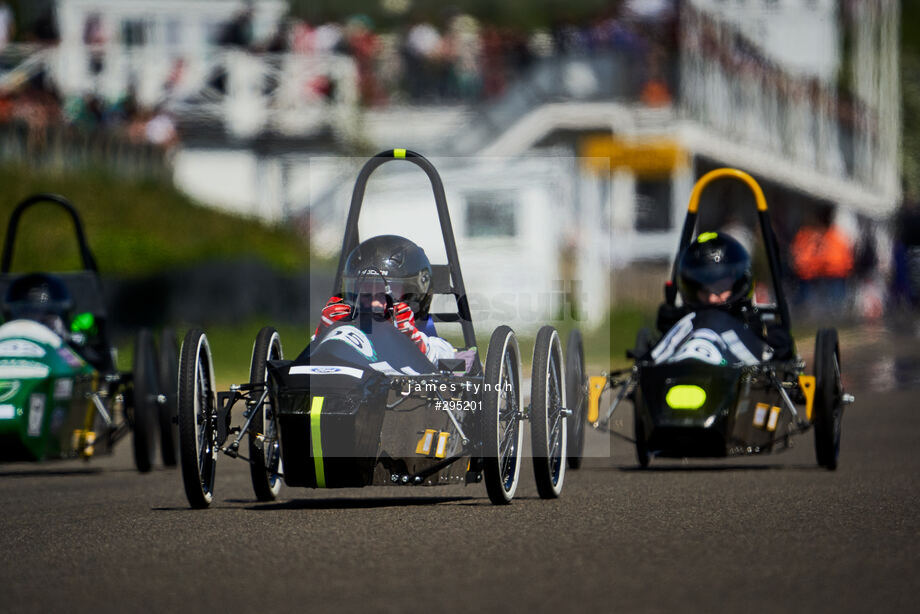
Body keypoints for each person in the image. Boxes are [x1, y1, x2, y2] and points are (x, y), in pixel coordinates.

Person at [314, 235, 455, 363]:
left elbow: (448, 358)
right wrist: (324, 334)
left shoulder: (431, 342)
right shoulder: (347, 332)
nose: (374, 302)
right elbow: (311, 366)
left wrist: (413, 340)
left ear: (413, 295)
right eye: (366, 291)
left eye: (386, 292)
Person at [659, 231, 792, 360]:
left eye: (719, 288)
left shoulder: (750, 324)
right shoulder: (684, 325)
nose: (711, 298)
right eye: (704, 291)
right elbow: (648, 359)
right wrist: (668, 329)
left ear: (737, 284)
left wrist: (778, 347)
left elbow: (772, 359)